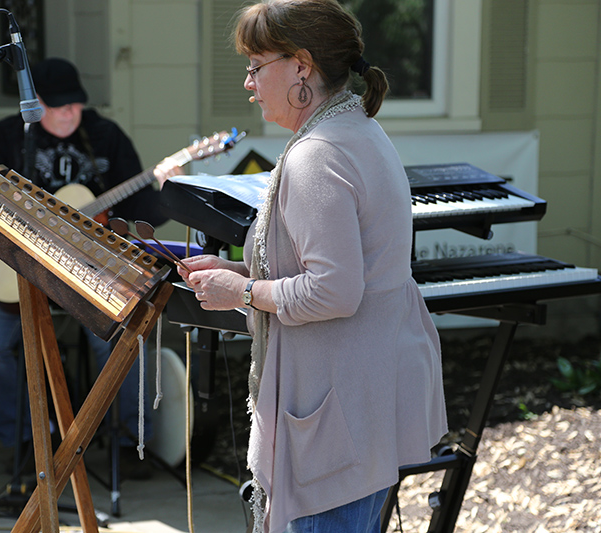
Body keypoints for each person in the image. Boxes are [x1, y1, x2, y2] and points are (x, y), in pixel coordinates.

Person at [178, 2, 448, 532]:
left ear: (301, 65)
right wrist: (239, 269)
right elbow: (326, 262)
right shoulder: (359, 129)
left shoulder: (316, 155)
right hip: (361, 411)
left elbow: (334, 290)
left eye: (257, 65)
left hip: (336, 431)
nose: (249, 81)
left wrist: (246, 291)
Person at [0, 57, 177, 479]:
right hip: (15, 267)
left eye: (75, 104)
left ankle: (131, 441)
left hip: (91, 271)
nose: (70, 112)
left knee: (125, 336)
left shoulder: (106, 136)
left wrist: (169, 189)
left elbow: (138, 211)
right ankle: (29, 441)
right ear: (34, 103)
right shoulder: (7, 136)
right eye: (58, 106)